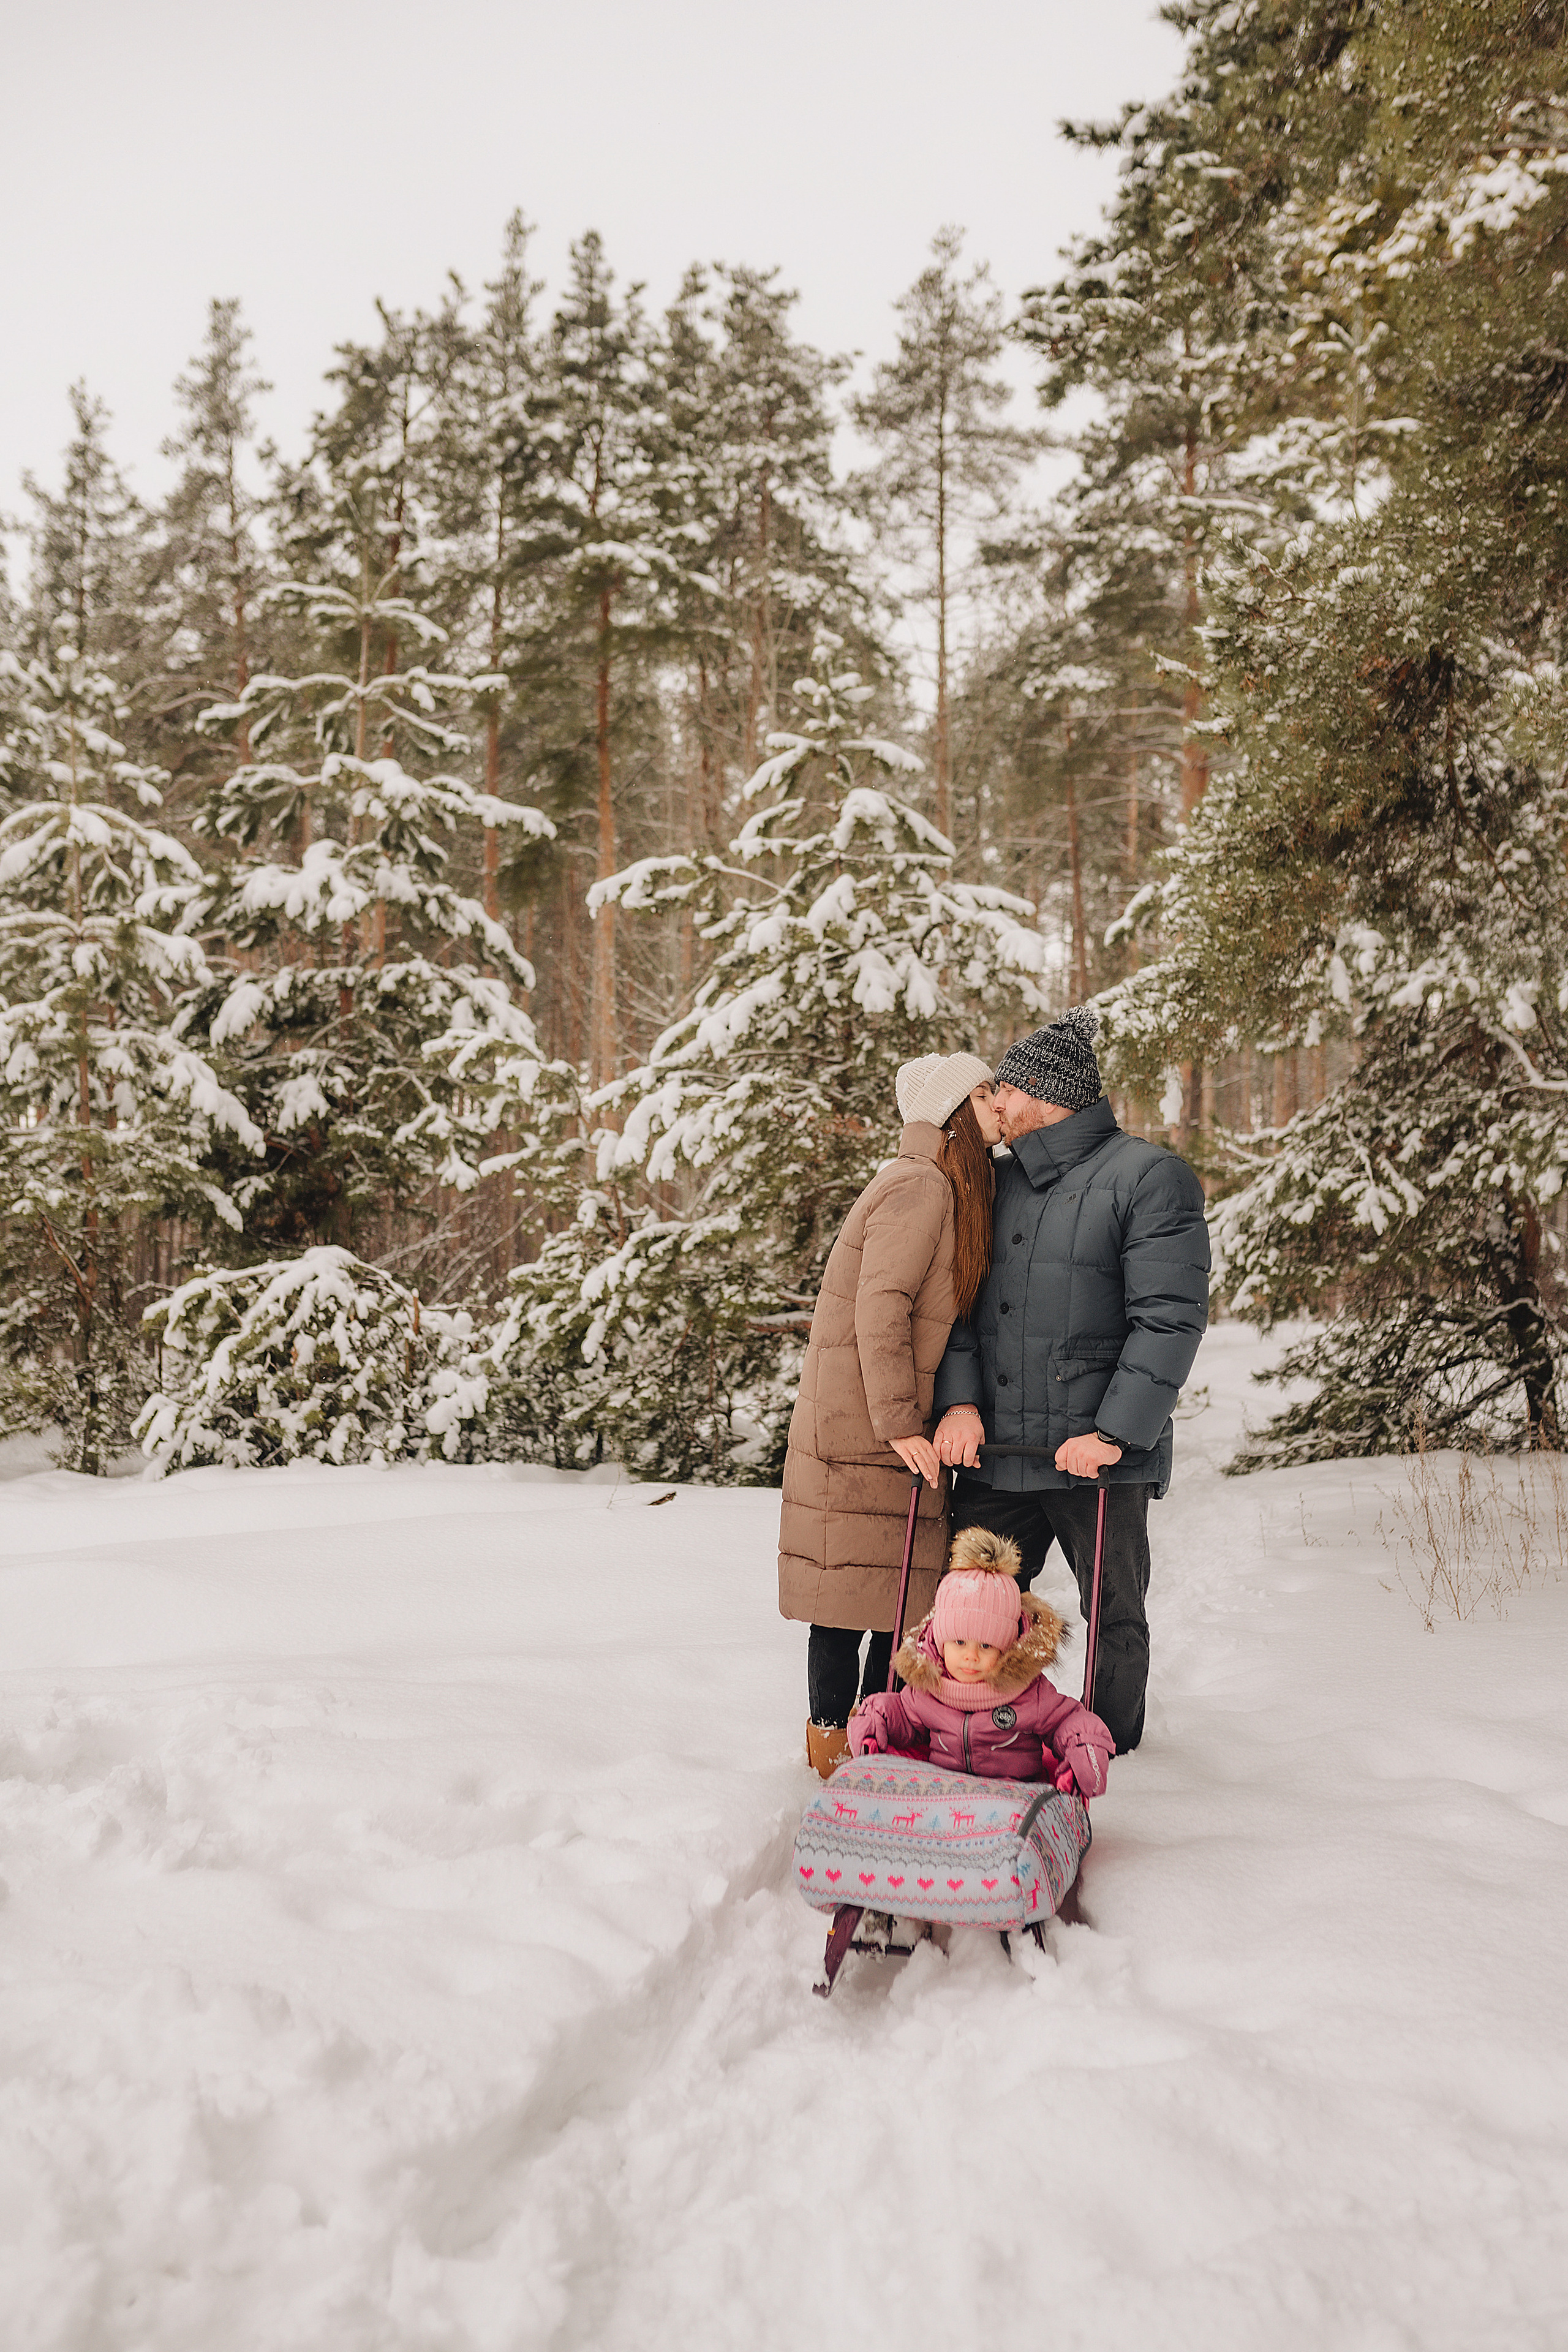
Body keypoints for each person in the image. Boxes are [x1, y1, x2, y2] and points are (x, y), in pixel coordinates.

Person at [932, 1006, 1210, 1755]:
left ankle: (1107, 1752)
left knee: (1113, 1614)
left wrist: (1113, 1433)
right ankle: (971, 1739)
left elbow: (1169, 1319)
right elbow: (953, 1306)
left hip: (1093, 1458)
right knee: (966, 1609)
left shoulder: (1148, 1177)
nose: (993, 1104)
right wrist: (959, 1402)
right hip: (998, 1455)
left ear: (1044, 1096)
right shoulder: (993, 1181)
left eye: (1003, 1089)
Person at [778, 1052, 1005, 1777]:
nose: (998, 1105)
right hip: (868, 1433)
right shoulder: (918, 1186)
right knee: (850, 1597)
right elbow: (881, 1309)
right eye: (985, 1094)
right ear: (954, 1113)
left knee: (890, 1597)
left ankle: (867, 1745)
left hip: (878, 1429)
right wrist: (902, 1422)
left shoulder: (938, 1182)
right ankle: (834, 1755)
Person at [846, 1526, 1114, 1796]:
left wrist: (1084, 1747)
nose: (971, 1656)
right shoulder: (930, 1689)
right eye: (959, 1642)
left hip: (1015, 1798)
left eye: (986, 1646)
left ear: (1006, 1649)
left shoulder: (1027, 1693)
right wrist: (875, 1720)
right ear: (940, 1642)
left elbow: (1067, 1720)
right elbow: (901, 1714)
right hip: (944, 1797)